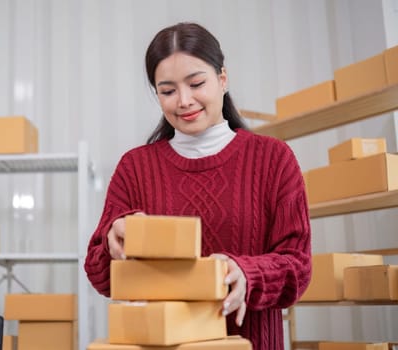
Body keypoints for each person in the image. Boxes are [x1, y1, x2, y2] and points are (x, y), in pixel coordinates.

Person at [84, 22, 311, 350]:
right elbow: (99, 275)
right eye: (168, 90)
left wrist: (248, 273)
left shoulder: (273, 159)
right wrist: (112, 243)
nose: (184, 101)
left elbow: (298, 268)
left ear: (222, 79)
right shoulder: (134, 168)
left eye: (196, 83)